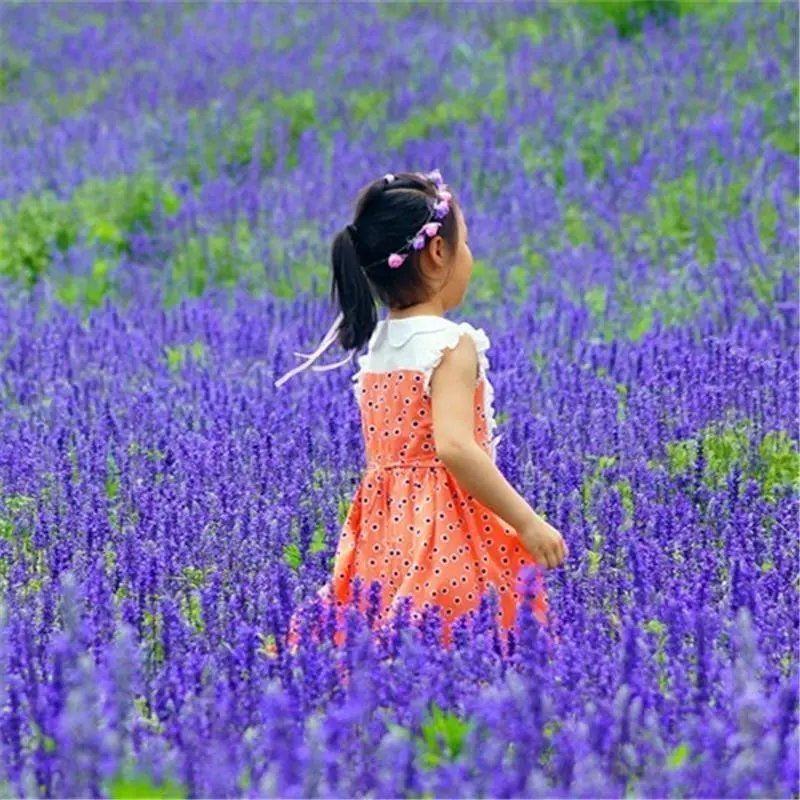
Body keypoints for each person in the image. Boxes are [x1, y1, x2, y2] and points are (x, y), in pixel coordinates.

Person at [270, 169, 568, 656]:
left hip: (382, 528)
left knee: (388, 632)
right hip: (447, 525)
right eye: (465, 244)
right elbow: (454, 447)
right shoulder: (452, 344)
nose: (470, 257)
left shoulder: (381, 345)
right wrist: (528, 521)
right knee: (466, 633)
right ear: (437, 254)